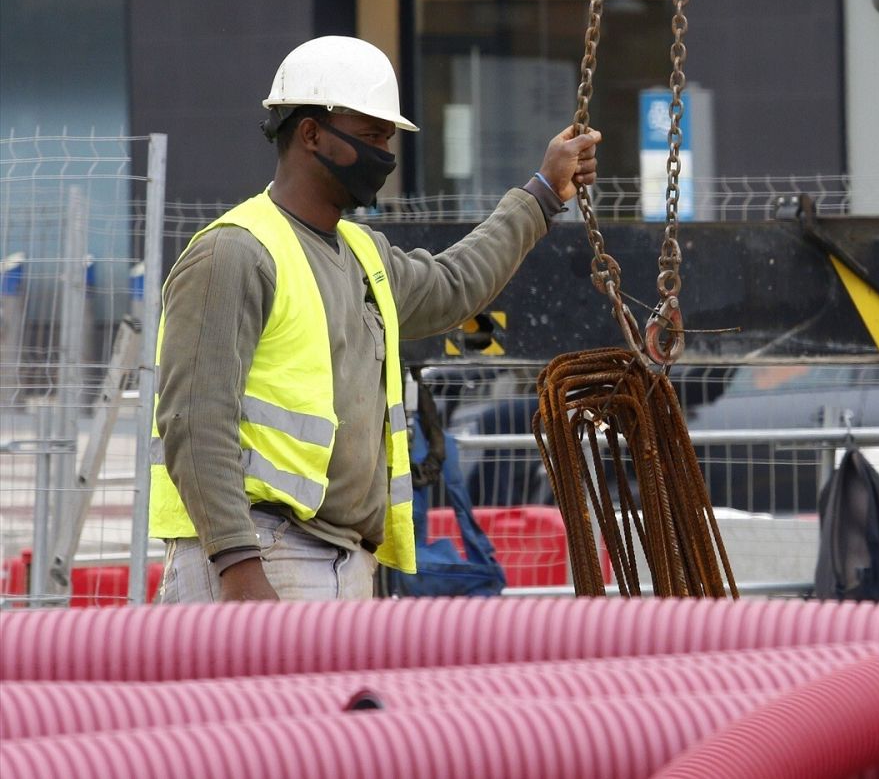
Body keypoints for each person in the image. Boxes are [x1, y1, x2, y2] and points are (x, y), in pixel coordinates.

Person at [150, 35, 600, 602]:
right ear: (310, 133)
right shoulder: (235, 253)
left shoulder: (363, 256)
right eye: (370, 137)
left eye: (388, 139)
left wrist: (543, 193)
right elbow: (194, 421)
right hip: (259, 556)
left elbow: (455, 286)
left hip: (341, 560)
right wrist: (240, 569)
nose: (384, 156)